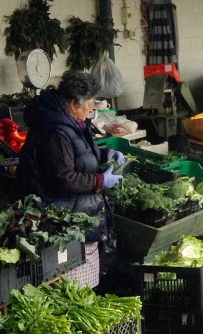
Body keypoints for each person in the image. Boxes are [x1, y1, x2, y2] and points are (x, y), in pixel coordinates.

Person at [16, 70, 127, 288]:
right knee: (71, 288)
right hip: (60, 219)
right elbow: (63, 177)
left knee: (84, 284)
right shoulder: (55, 131)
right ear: (74, 103)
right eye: (90, 104)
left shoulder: (70, 121)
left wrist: (104, 154)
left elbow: (76, 154)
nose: (92, 109)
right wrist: (99, 181)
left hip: (77, 212)